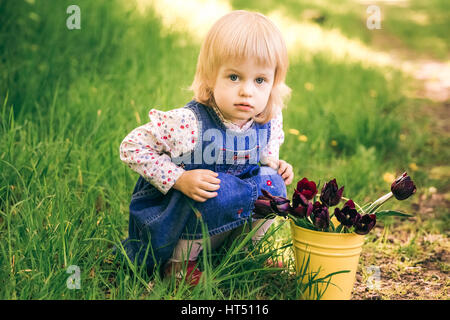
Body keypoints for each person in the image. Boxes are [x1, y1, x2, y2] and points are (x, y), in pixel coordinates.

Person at [119, 10, 294, 284]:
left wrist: (275, 165)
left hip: (227, 215)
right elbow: (132, 147)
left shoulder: (267, 119)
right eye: (234, 77)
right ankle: (178, 267)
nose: (247, 91)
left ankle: (244, 251)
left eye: (259, 80)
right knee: (214, 189)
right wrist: (178, 178)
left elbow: (266, 152)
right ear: (211, 77)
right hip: (183, 219)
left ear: (273, 84)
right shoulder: (190, 122)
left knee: (272, 186)